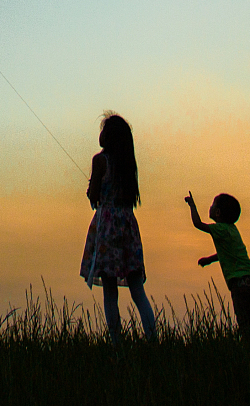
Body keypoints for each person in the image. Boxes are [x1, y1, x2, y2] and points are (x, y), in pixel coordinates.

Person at [80, 112, 158, 343]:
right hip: (128, 226)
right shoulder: (127, 164)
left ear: (109, 136)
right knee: (137, 291)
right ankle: (153, 340)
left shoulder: (100, 160)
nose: (100, 134)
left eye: (103, 130)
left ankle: (116, 343)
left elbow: (94, 196)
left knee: (110, 291)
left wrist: (91, 193)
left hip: (106, 228)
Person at [186, 190, 250, 336]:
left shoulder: (219, 228)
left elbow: (198, 224)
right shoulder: (233, 231)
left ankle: (248, 352)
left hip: (239, 282)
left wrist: (192, 205)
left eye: (212, 204)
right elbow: (228, 252)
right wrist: (209, 260)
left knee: (244, 323)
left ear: (218, 213)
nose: (209, 207)